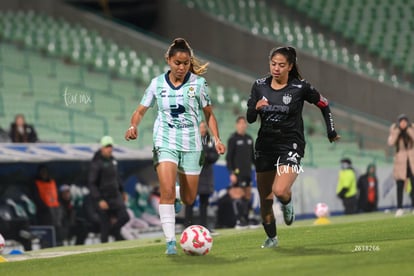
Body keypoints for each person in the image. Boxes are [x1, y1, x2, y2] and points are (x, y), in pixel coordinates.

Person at [124, 38, 226, 255]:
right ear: (168, 60)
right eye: (177, 62)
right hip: (165, 141)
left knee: (189, 199)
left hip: (191, 145)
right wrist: (133, 125)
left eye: (186, 63)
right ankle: (170, 241)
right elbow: (140, 110)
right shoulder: (156, 84)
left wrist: (216, 139)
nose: (181, 67)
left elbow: (209, 114)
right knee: (166, 190)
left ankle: (180, 194)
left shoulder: (198, 84)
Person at [246, 46, 340, 248]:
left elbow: (324, 104)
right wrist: (256, 108)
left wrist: (330, 130)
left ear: (290, 66)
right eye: (273, 64)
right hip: (265, 146)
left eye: (281, 65)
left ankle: (287, 203)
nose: (276, 68)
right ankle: (272, 238)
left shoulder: (300, 87)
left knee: (279, 190)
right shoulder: (259, 86)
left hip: (291, 144)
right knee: (266, 199)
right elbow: (250, 118)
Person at [87, 135, 129, 243]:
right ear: (102, 148)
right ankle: (106, 246)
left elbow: (117, 178)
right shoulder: (96, 163)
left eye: (110, 146)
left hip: (115, 196)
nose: (109, 149)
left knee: (124, 217)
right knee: (105, 225)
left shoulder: (113, 160)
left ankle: (115, 232)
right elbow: (92, 184)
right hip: (103, 198)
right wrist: (99, 199)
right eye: (107, 146)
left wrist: (122, 191)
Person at [184, 121, 220, 230]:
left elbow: (215, 155)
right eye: (200, 127)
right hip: (193, 174)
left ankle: (203, 227)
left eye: (204, 127)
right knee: (190, 201)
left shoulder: (210, 141)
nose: (202, 129)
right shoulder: (192, 140)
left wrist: (206, 156)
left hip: (206, 175)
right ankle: (188, 226)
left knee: (204, 203)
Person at [225, 115, 255, 228]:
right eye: (240, 123)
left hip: (248, 172)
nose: (242, 125)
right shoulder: (233, 139)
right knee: (238, 196)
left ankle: (247, 219)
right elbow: (229, 158)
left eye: (244, 123)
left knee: (247, 196)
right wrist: (232, 172)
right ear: (237, 125)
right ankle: (239, 220)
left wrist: (257, 170)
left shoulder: (249, 138)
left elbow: (252, 156)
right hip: (237, 173)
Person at [387, 114, 414, 217]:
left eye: (405, 121)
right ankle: (399, 208)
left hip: (411, 161)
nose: (403, 123)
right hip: (400, 162)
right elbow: (391, 142)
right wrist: (397, 131)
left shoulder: (411, 128)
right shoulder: (394, 130)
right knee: (399, 185)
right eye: (401, 121)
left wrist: (407, 130)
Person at [31, 164, 63, 247]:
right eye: (42, 172)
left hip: (55, 210)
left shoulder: (52, 182)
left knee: (58, 233)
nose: (44, 174)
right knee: (47, 234)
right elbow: (36, 197)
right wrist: (44, 208)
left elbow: (57, 196)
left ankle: (59, 245)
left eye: (45, 172)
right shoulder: (36, 183)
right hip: (44, 212)